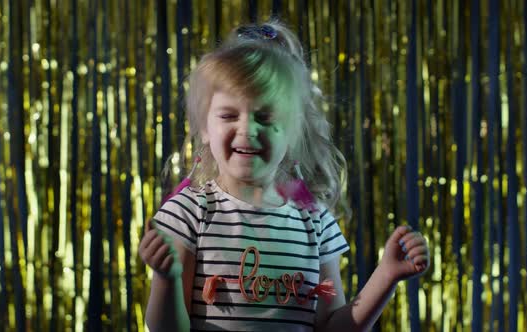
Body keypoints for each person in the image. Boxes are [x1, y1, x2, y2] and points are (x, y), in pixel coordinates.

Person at [139, 19, 430, 332]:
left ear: (291, 132)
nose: (248, 129)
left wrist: (385, 276)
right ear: (205, 129)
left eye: (265, 117)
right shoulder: (188, 213)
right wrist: (166, 278)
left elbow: (332, 327)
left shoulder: (315, 222)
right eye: (229, 115)